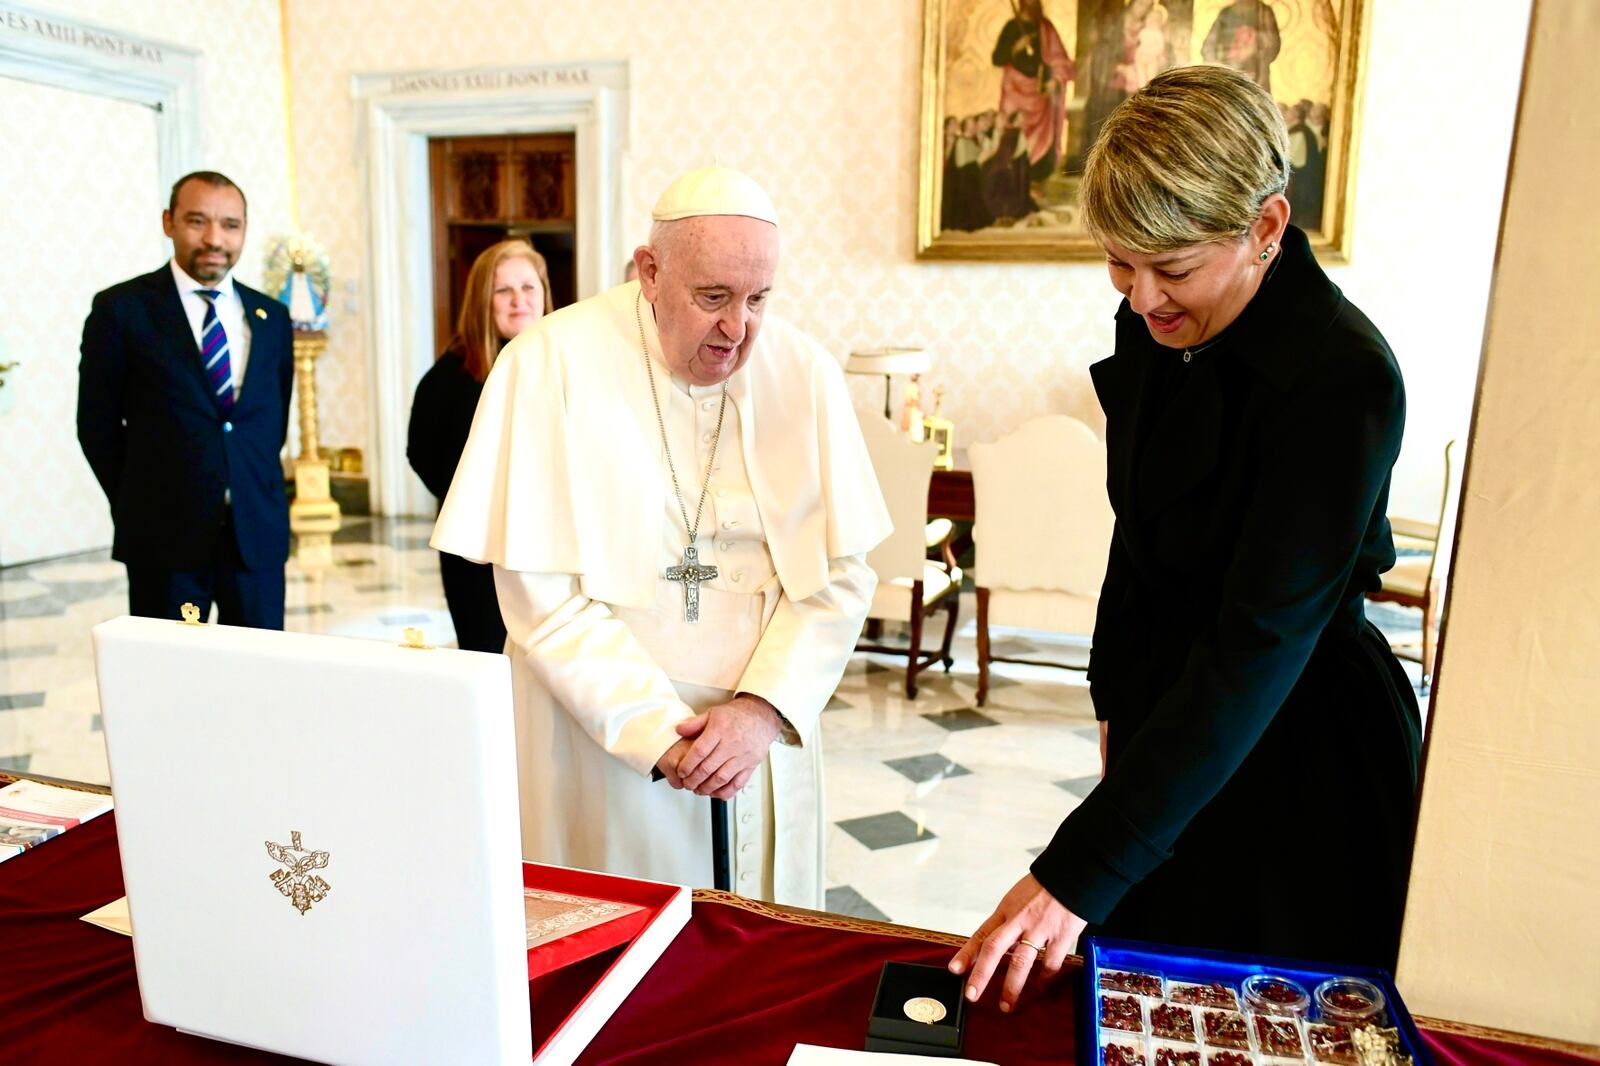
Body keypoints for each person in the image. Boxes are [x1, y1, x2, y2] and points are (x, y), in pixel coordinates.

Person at [951, 65, 1421, 1010]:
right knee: (1149, 1003)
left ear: (1268, 227)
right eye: (1120, 264)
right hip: (1174, 724)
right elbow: (1139, 548)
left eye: (1171, 269)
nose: (1140, 299)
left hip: (1301, 741)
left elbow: (1259, 645)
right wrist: (1117, 712)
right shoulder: (1160, 322)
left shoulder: (1344, 379)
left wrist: (1079, 869)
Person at [431, 166, 890, 906]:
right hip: (598, 742)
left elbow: (841, 572)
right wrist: (657, 732)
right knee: (611, 955)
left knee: (757, 948)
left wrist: (761, 709)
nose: (738, 328)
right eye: (712, 297)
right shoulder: (548, 365)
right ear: (650, 271)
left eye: (758, 300)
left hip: (756, 739)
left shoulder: (802, 373)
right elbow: (538, 594)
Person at [77, 171, 294, 629]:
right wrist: (139, 499)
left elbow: (270, 422)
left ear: (244, 231)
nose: (215, 238)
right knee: (171, 682)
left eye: (230, 225)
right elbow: (95, 427)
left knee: (260, 676)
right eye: (198, 221)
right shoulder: (121, 311)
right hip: (164, 539)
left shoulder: (271, 317)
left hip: (255, 538)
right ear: (168, 222)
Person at [407, 240, 554, 653]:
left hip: (551, 550)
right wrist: (480, 510)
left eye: (528, 287)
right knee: (490, 659)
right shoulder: (447, 378)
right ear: (481, 300)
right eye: (503, 290)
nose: (518, 301)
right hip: (478, 556)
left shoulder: (566, 364)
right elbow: (423, 453)